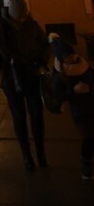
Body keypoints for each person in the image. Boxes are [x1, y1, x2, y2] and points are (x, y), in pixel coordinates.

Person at [0, 0, 49, 171]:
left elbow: (44, 44)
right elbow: (3, 50)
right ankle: (26, 155)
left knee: (37, 115)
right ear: (12, 14)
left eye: (24, 15)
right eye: (19, 16)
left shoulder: (32, 24)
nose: (22, 19)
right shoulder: (1, 27)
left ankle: (41, 154)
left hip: (32, 76)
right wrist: (21, 59)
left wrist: (41, 60)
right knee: (19, 117)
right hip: (11, 79)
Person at [48, 33, 94, 179]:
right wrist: (73, 91)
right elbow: (58, 96)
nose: (73, 58)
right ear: (62, 58)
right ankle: (86, 166)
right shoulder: (59, 74)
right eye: (69, 56)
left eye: (73, 54)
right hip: (80, 111)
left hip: (91, 103)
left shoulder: (81, 63)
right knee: (89, 137)